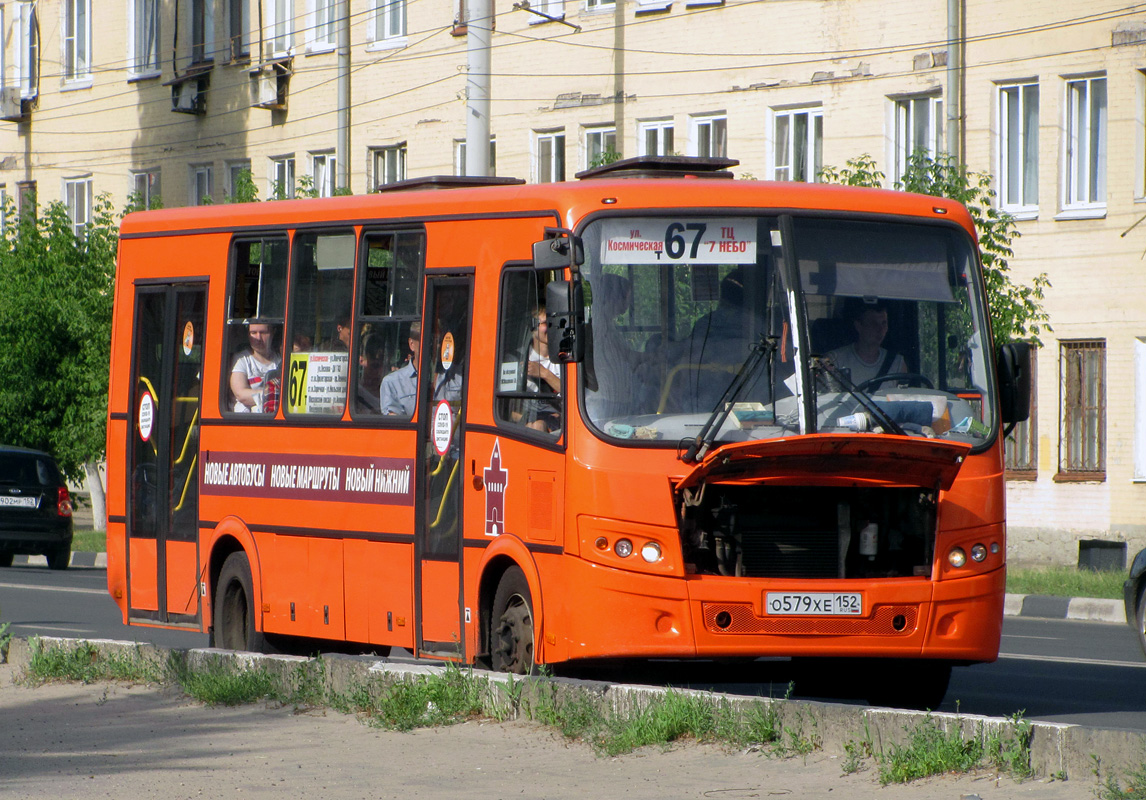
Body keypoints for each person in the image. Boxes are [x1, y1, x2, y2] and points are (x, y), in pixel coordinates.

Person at [826, 300, 906, 387]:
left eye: (884, 323)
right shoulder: (835, 361)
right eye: (874, 324)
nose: (880, 329)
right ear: (858, 326)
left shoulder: (897, 364)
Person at [522, 305, 561, 432]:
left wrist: (544, 373)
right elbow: (506, 407)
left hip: (560, 419)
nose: (551, 327)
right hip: (528, 419)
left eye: (553, 322)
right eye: (545, 323)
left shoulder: (564, 358)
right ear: (532, 327)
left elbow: (572, 394)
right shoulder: (519, 358)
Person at [230, 323, 281, 412]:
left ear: (273, 333)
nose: (258, 338)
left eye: (263, 332)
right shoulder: (242, 360)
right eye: (253, 333)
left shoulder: (280, 361)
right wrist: (270, 394)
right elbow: (240, 394)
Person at [380, 321, 420, 416]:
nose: (433, 346)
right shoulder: (392, 383)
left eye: (437, 341)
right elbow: (396, 425)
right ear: (412, 344)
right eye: (427, 340)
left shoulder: (458, 379)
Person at [356, 331, 387, 413]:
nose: (378, 372)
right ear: (361, 361)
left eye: (382, 366)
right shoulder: (356, 391)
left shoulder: (389, 390)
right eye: (374, 366)